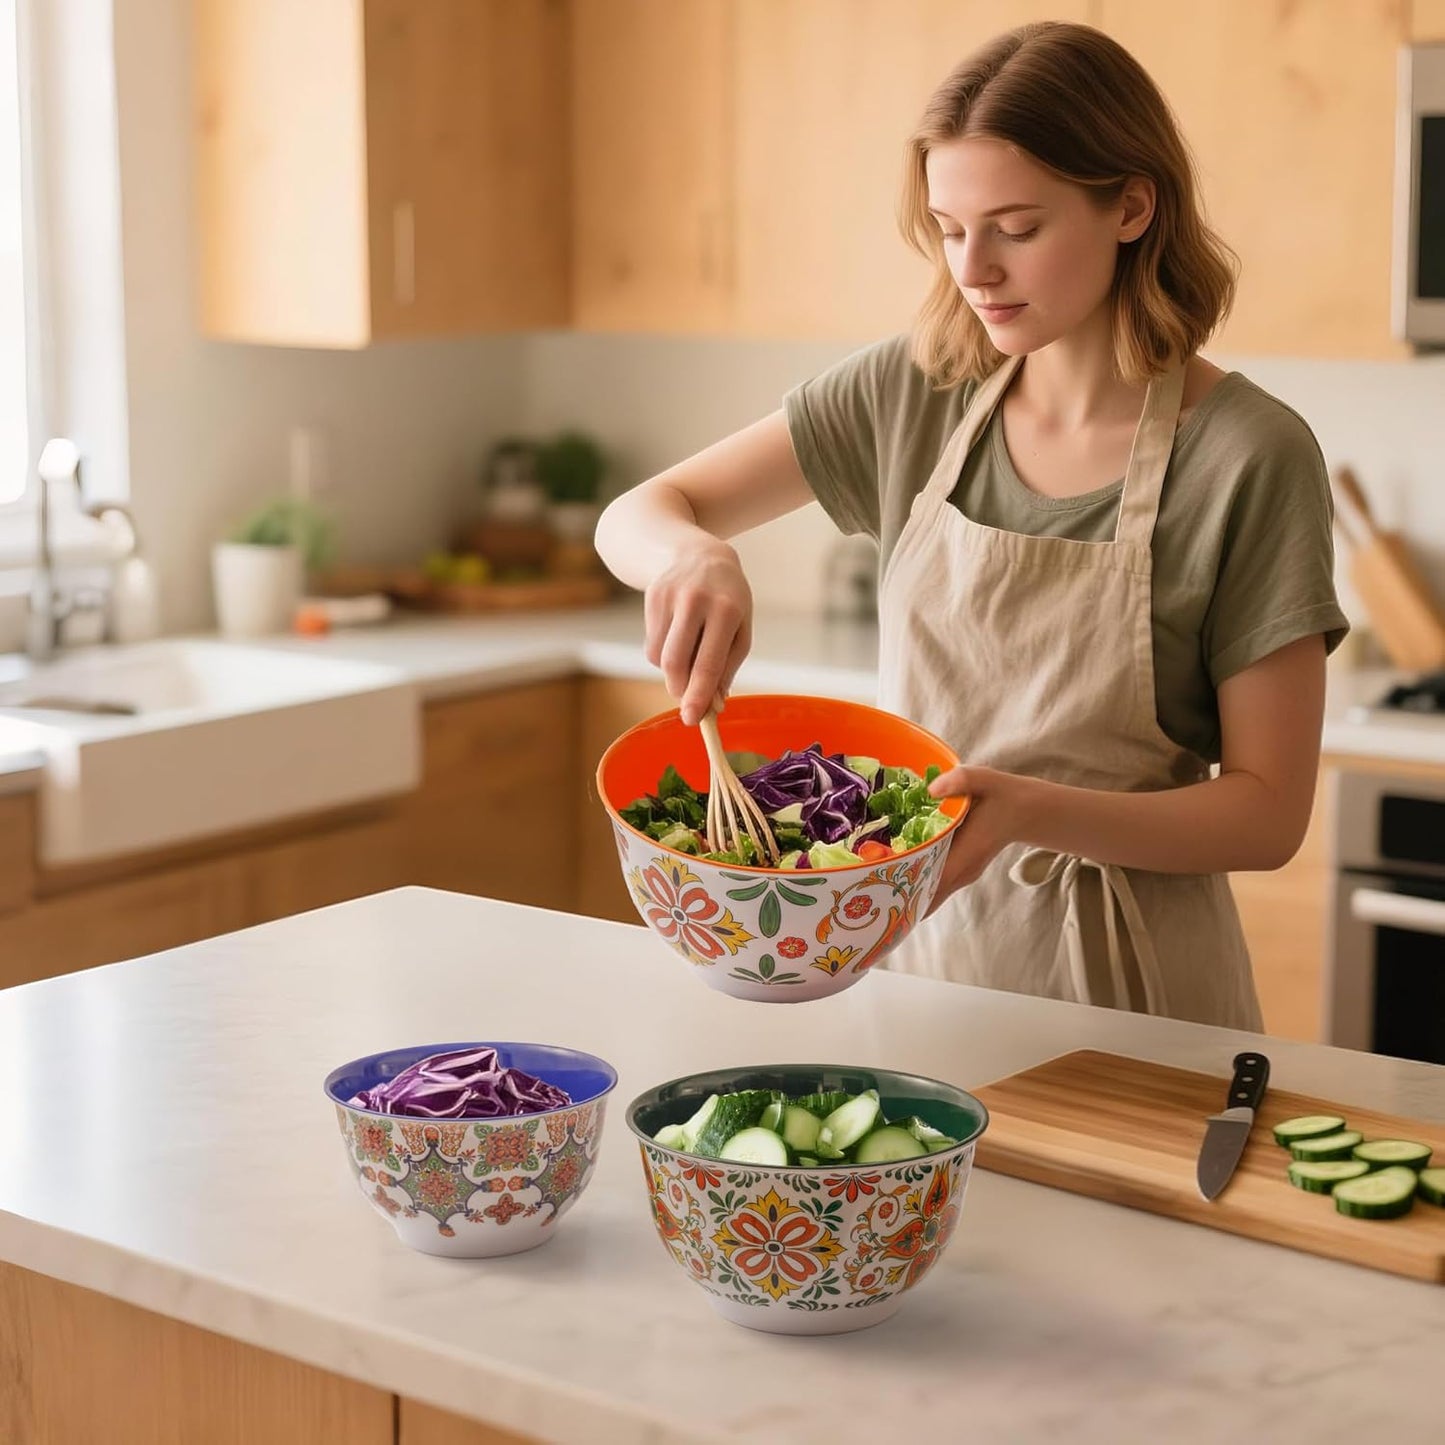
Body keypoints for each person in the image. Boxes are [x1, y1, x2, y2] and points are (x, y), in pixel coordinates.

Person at [593, 21, 1348, 1029]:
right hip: (910, 969)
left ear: (1130, 205)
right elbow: (636, 514)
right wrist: (692, 551)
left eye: (1015, 228)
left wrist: (1030, 811)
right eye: (949, 228)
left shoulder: (1247, 455)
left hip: (1130, 1000)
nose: (973, 270)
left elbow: (1266, 814)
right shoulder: (915, 391)